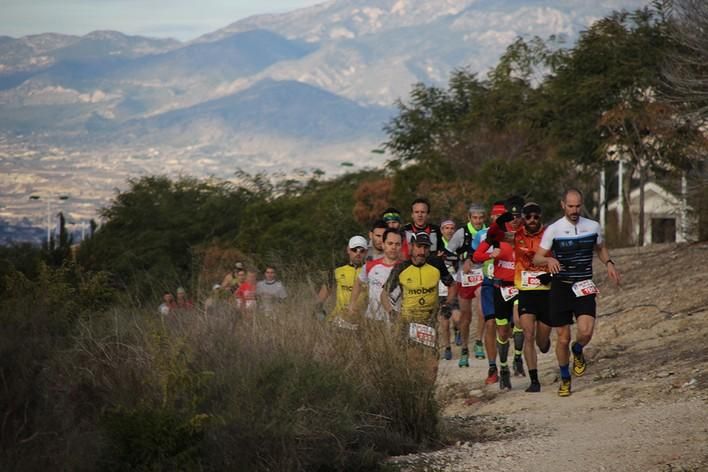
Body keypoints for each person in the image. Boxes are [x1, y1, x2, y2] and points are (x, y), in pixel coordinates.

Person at [533, 188, 621, 397]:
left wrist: (608, 262)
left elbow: (600, 247)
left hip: (583, 284)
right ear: (563, 205)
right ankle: (565, 378)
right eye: (570, 206)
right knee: (562, 338)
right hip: (561, 286)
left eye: (578, 206)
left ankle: (578, 350)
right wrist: (549, 259)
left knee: (586, 332)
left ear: (582, 205)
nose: (574, 210)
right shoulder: (554, 229)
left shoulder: (592, 226)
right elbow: (537, 258)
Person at [381, 232, 458, 379]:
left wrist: (448, 304)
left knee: (433, 366)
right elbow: (384, 294)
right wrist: (391, 312)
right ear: (411, 247)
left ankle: (428, 396)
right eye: (418, 247)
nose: (422, 252)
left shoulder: (436, 263)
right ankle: (417, 396)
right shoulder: (401, 267)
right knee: (414, 363)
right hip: (408, 323)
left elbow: (453, 285)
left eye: (425, 248)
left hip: (429, 322)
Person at [473, 197, 524, 391]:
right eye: (510, 217)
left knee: (520, 321)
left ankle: (518, 357)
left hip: (520, 286)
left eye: (517, 216)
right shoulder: (496, 234)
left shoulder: (524, 234)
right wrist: (490, 255)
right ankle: (502, 368)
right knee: (502, 330)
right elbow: (476, 256)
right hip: (499, 287)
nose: (514, 220)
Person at [514, 202, 553, 392]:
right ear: (523, 217)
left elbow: (558, 260)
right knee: (528, 335)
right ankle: (534, 380)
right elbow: (494, 236)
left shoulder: (549, 235)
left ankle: (545, 343)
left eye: (535, 216)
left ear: (540, 217)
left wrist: (552, 275)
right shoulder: (517, 235)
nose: (532, 220)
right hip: (526, 291)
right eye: (528, 216)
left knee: (541, 341)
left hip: (546, 291)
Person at [446, 203, 488, 365]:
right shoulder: (461, 233)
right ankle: (464, 347)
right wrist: (461, 262)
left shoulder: (488, 232)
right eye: (475, 218)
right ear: (469, 218)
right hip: (463, 278)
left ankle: (478, 341)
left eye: (480, 218)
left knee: (483, 309)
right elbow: (448, 254)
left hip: (481, 276)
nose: (478, 221)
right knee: (466, 317)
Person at [470, 201, 507, 383]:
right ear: (491, 217)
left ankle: (513, 359)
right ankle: (492, 368)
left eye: (502, 215)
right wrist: (491, 255)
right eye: (495, 215)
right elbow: (475, 257)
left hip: (509, 284)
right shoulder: (481, 234)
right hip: (488, 284)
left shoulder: (512, 235)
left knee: (507, 328)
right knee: (490, 324)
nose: (498, 218)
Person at [349, 228, 402, 322]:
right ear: (383, 245)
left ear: (401, 246)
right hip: (372, 320)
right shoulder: (370, 266)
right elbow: (358, 283)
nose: (393, 247)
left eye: (397, 244)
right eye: (390, 243)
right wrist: (352, 304)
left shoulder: (406, 268)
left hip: (396, 321)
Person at [318, 235, 368, 321]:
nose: (358, 253)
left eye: (361, 251)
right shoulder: (337, 270)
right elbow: (326, 288)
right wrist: (318, 307)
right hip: (337, 320)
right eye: (354, 250)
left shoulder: (371, 271)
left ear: (366, 252)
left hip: (361, 321)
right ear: (348, 250)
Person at [437, 219, 462, 361]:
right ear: (441, 230)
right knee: (444, 323)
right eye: (446, 228)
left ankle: (457, 330)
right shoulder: (438, 246)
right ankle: (447, 348)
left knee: (457, 318)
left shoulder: (458, 245)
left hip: (455, 289)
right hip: (440, 290)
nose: (449, 230)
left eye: (452, 228)